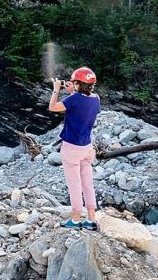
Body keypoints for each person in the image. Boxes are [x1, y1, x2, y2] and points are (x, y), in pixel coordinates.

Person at [48, 66, 101, 230]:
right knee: (87, 184)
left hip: (71, 148)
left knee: (74, 184)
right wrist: (73, 93)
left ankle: (76, 219)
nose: (71, 84)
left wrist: (56, 90)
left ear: (78, 83)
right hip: (87, 147)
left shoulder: (74, 100)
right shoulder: (96, 99)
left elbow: (52, 107)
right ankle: (91, 219)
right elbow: (81, 107)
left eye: (73, 82)